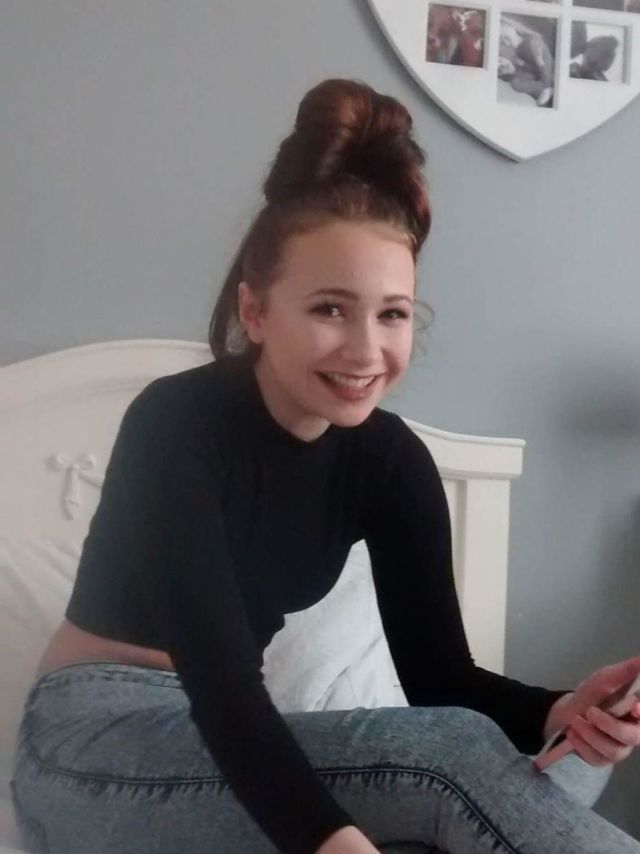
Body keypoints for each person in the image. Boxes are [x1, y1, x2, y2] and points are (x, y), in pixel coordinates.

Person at [10, 77, 640, 854]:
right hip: (92, 748)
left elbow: (442, 681)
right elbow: (227, 693)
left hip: (237, 745)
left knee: (561, 768)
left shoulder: (392, 462)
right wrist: (327, 842)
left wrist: (560, 713)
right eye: (330, 309)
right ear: (255, 311)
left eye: (392, 314)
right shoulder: (176, 426)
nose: (366, 351)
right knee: (451, 763)